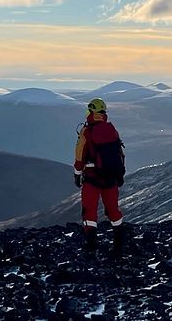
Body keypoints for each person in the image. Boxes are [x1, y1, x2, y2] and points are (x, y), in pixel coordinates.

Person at [73, 98, 126, 253]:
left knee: (89, 210)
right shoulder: (111, 130)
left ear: (90, 111)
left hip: (92, 177)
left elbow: (79, 154)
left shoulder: (86, 130)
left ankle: (91, 246)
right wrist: (120, 173)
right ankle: (118, 243)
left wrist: (77, 174)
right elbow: (120, 153)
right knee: (113, 210)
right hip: (111, 177)